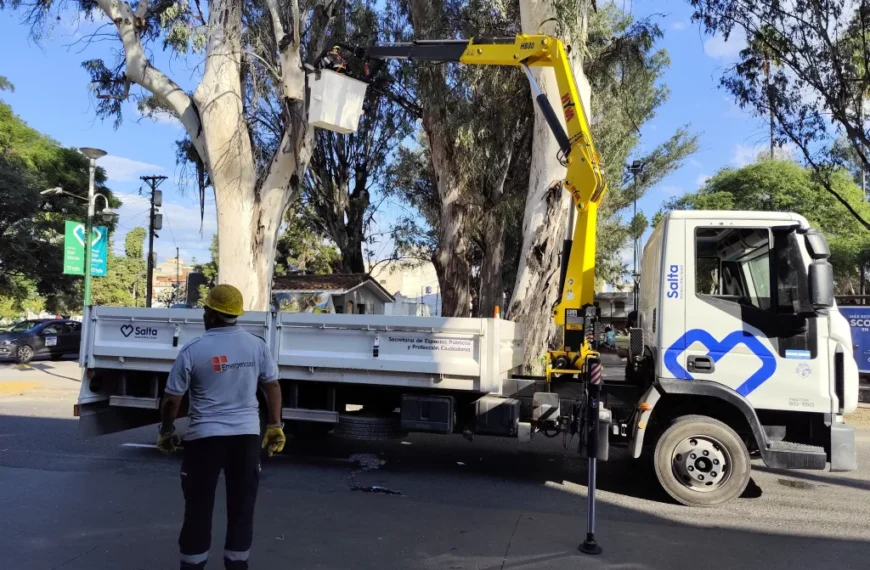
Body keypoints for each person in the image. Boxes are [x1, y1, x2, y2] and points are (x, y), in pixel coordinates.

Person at [157, 284, 286, 570]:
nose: (204, 313)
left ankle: (193, 565)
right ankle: (237, 565)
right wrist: (275, 425)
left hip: (204, 441)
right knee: (242, 509)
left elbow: (171, 400)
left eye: (206, 309)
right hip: (246, 440)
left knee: (198, 509)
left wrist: (166, 431)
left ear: (213, 315)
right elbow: (272, 385)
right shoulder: (256, 345)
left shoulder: (194, 349)